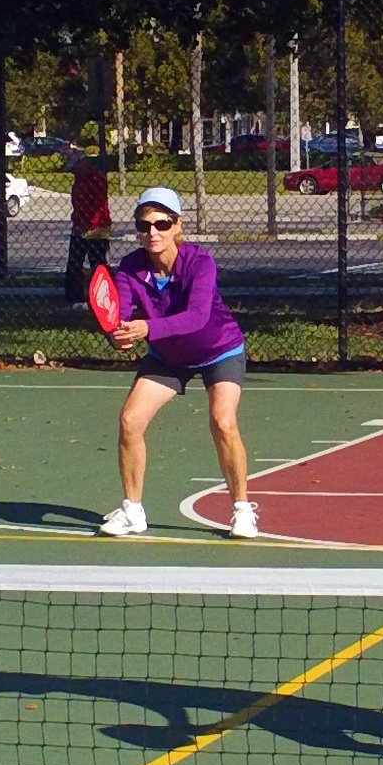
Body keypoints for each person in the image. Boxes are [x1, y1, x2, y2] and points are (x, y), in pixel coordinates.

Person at [97, 187, 259, 540]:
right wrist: (119, 335)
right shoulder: (130, 267)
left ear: (177, 225)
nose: (152, 232)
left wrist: (147, 328)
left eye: (162, 223)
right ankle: (133, 511)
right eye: (144, 225)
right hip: (168, 357)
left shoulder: (201, 263)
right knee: (130, 419)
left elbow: (198, 317)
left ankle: (242, 510)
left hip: (220, 349)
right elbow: (121, 316)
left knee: (223, 421)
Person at [63, 148, 112, 304]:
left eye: (76, 167)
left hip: (97, 228)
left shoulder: (97, 178)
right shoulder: (80, 179)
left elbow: (97, 205)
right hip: (80, 226)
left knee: (97, 264)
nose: (74, 171)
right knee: (74, 263)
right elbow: (78, 204)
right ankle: (74, 297)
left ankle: (102, 298)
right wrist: (78, 222)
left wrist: (89, 224)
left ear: (83, 163)